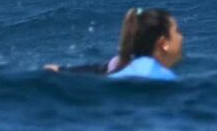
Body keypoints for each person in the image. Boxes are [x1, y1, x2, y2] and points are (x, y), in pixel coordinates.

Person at [44, 7, 184, 81]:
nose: (182, 37)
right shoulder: (161, 76)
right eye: (177, 31)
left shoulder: (119, 64)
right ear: (163, 43)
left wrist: (61, 70)